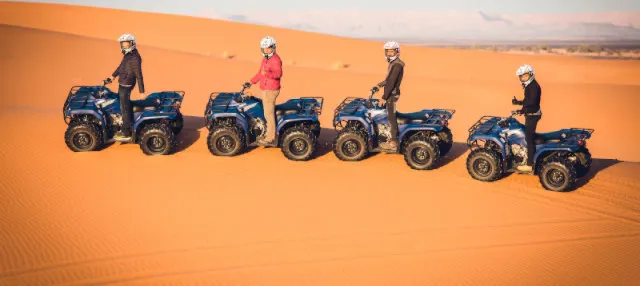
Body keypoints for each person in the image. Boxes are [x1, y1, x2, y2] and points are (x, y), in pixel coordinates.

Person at [106, 33, 145, 141]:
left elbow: (139, 75)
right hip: (122, 83)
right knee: (122, 104)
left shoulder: (135, 58)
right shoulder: (128, 55)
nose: (124, 46)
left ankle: (126, 131)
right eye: (122, 44)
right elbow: (121, 67)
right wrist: (112, 76)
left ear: (132, 43)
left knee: (124, 108)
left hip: (127, 85)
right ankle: (123, 122)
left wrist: (142, 91)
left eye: (126, 44)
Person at [244, 36, 283, 146]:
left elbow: (278, 74)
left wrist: (268, 74)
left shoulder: (276, 59)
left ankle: (271, 137)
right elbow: (260, 73)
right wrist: (251, 82)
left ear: (273, 47)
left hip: (271, 90)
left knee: (268, 113)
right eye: (264, 48)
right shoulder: (265, 59)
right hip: (265, 89)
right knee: (265, 111)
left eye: (269, 47)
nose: (267, 50)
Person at [374, 41, 405, 152]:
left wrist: (384, 97)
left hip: (392, 94)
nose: (390, 54)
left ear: (397, 51)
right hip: (390, 93)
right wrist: (379, 84)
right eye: (388, 51)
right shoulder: (394, 63)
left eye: (392, 51)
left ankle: (394, 140)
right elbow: (387, 80)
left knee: (390, 115)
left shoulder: (397, 65)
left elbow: (391, 83)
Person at [512, 64, 542, 173]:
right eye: (521, 76)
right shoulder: (530, 86)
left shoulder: (533, 86)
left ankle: (529, 165)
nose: (522, 78)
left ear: (530, 74)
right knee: (528, 136)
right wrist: (518, 103)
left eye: (524, 76)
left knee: (529, 138)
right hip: (531, 113)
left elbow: (532, 102)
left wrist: (521, 110)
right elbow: (528, 100)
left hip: (533, 115)